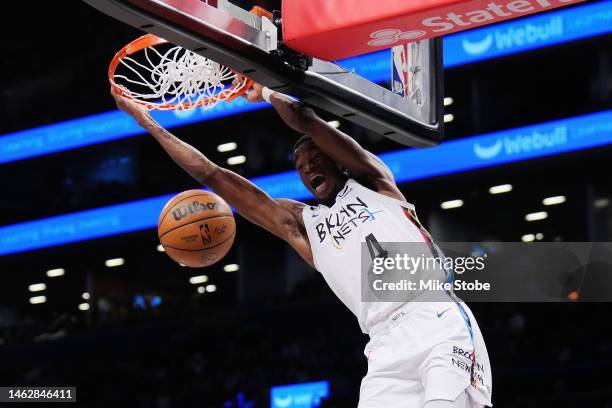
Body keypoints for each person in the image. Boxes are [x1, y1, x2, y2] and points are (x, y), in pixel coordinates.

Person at [111, 81, 493, 408]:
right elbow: (210, 173)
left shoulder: (374, 181)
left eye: (315, 157)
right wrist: (147, 123)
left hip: (436, 319)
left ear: (337, 162)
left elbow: (304, 120)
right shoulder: (303, 225)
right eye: (300, 165)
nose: (308, 166)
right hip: (384, 345)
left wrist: (262, 86)